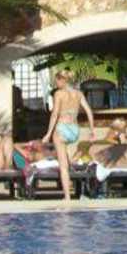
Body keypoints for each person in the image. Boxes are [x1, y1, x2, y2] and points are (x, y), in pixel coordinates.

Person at [42, 70, 95, 203]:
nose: (56, 84)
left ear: (63, 80)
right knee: (68, 158)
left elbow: (54, 114)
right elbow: (89, 111)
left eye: (57, 81)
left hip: (62, 128)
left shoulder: (59, 94)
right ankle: (75, 184)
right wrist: (92, 130)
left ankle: (67, 196)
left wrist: (48, 133)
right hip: (74, 130)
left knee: (63, 166)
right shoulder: (78, 94)